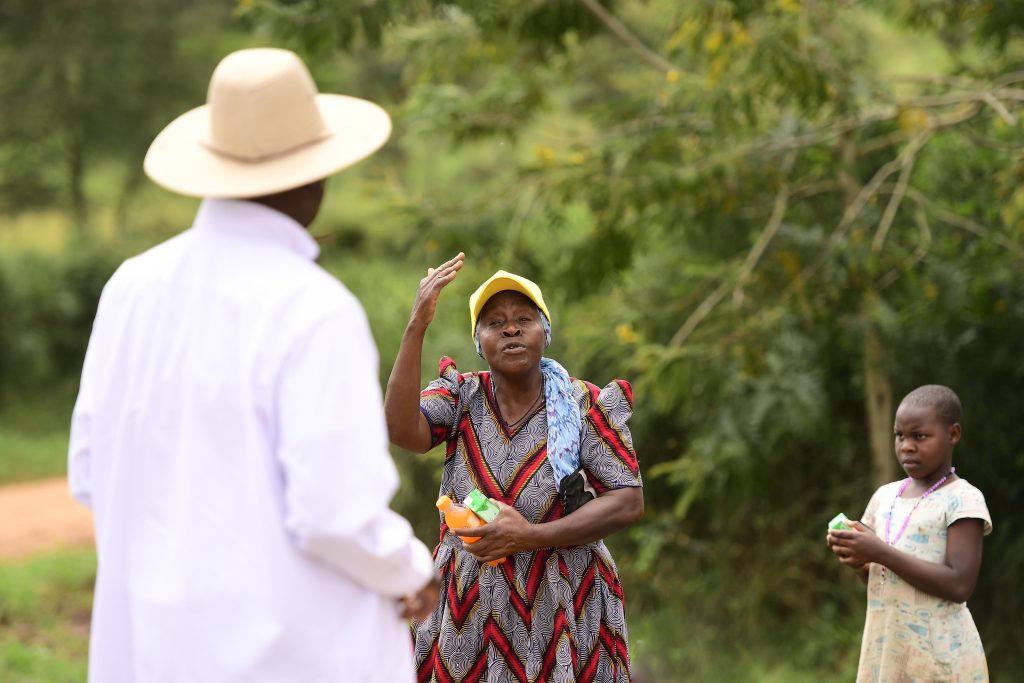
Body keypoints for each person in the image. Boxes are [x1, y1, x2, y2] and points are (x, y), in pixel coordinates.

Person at [68, 48, 439, 683]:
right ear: (316, 177)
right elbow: (335, 514)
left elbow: (88, 470)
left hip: (155, 652)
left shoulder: (132, 288)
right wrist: (411, 570)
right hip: (292, 658)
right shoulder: (313, 307)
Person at [384, 256, 644, 682]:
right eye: (494, 322)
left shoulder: (584, 405)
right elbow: (400, 429)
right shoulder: (460, 396)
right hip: (469, 606)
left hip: (565, 603)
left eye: (524, 318)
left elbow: (628, 501)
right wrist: (417, 325)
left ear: (546, 332)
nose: (510, 328)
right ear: (478, 342)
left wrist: (531, 536)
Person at [827, 384, 992, 682]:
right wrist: (858, 560)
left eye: (920, 436)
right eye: (900, 435)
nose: (906, 446)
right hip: (889, 652)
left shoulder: (964, 499)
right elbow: (882, 578)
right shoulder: (884, 497)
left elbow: (959, 585)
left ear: (953, 434)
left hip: (940, 660)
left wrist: (879, 551)